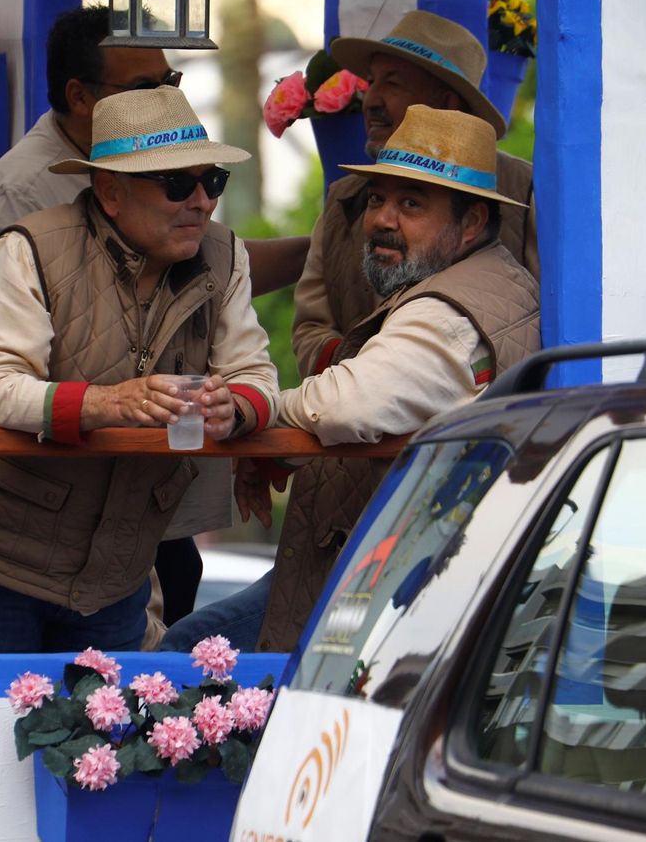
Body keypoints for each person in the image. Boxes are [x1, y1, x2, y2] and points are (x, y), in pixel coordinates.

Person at [0, 6, 305, 626]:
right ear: (109, 192)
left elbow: (254, 372)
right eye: (175, 184)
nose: (201, 201)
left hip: (122, 553)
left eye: (213, 179)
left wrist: (240, 407)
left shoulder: (222, 255)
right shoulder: (29, 241)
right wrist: (106, 403)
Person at [161, 106, 540, 654]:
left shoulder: (447, 315)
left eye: (412, 204)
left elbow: (344, 404)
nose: (383, 219)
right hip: (389, 568)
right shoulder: (487, 283)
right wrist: (280, 453)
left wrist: (257, 415)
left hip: (397, 586)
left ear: (473, 223)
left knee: (188, 654)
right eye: (377, 199)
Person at [292, 9, 538, 383]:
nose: (371, 99)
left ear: (446, 102)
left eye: (393, 83)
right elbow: (310, 330)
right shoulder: (345, 198)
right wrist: (377, 375)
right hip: (361, 423)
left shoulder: (522, 190)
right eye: (371, 81)